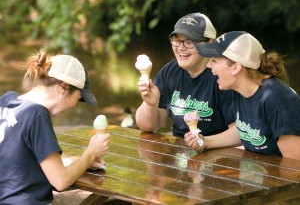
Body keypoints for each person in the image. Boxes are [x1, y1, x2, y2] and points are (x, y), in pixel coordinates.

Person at [0, 51, 110, 204]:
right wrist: (91, 153)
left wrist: (82, 163)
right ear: (63, 88)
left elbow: (20, 160)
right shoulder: (36, 115)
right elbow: (60, 180)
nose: (73, 107)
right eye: (77, 99)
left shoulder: (6, 100)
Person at [184, 31, 300, 160]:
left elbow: (294, 166)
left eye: (214, 61)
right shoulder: (240, 90)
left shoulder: (278, 101)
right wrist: (206, 142)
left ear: (235, 68)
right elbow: (247, 131)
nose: (209, 65)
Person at [135, 12, 235, 137]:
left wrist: (207, 143)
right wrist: (151, 104)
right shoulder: (169, 72)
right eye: (176, 40)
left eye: (189, 42)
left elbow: (238, 132)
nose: (181, 48)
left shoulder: (222, 76)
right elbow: (148, 126)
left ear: (209, 43)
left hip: (218, 152)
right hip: (179, 150)